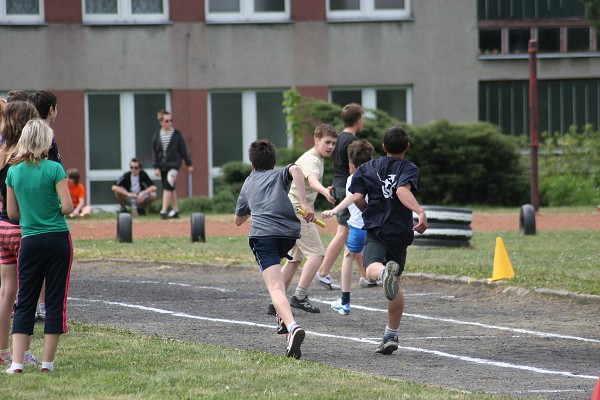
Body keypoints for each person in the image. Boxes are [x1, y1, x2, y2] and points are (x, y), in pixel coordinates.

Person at [349, 125, 427, 355]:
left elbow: (358, 198)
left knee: (371, 267)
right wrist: (419, 212)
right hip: (400, 231)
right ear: (407, 147)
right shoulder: (409, 167)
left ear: (383, 147)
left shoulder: (367, 167)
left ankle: (383, 274)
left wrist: (367, 208)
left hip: (377, 228)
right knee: (395, 285)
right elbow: (403, 190)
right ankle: (391, 335)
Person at [5, 118, 74, 374]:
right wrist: (52, 209)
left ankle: (17, 363)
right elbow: (67, 207)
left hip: (30, 239)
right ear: (46, 141)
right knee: (55, 300)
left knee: (25, 300)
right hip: (57, 239)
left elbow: (12, 213)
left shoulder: (13, 172)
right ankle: (47, 364)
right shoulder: (54, 168)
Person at [235, 139, 314, 359]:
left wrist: (253, 207)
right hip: (288, 235)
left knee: (275, 289)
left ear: (252, 164)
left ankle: (292, 327)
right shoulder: (279, 174)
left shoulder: (248, 183)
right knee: (278, 278)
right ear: (273, 161)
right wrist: (305, 203)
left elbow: (238, 220)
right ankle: (281, 317)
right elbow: (296, 169)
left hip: (264, 237)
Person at [276, 124, 337, 315]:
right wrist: (324, 191)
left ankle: (276, 301)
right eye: (327, 142)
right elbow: (312, 180)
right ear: (316, 140)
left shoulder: (316, 158)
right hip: (296, 211)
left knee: (294, 258)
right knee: (317, 254)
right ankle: (299, 296)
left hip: (290, 209)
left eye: (334, 143)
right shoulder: (312, 159)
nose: (330, 147)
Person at [0, 101, 42, 368]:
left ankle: (2, 349)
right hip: (23, 228)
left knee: (6, 291)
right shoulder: (25, 155)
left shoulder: (2, 151)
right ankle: (21, 352)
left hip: (2, 226)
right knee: (27, 293)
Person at [316, 103, 371, 290]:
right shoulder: (351, 140)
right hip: (347, 188)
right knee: (344, 232)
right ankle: (323, 272)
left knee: (351, 232)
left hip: (339, 185)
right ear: (358, 120)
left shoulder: (338, 138)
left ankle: (365, 276)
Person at [321, 139, 374, 315]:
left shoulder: (353, 178)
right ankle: (382, 276)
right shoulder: (376, 174)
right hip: (376, 228)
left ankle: (344, 301)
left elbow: (352, 197)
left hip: (358, 227)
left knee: (348, 256)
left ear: (351, 164)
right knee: (376, 260)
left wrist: (335, 210)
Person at [29, 90, 61, 322]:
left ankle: (28, 305)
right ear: (51, 110)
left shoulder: (24, 133)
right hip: (45, 210)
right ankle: (42, 306)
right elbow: (54, 172)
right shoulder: (47, 137)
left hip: (26, 208)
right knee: (47, 263)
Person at [152, 110, 193, 219]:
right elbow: (155, 153)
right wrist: (156, 166)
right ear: (161, 122)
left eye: (171, 120)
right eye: (166, 121)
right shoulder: (157, 136)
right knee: (171, 187)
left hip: (174, 166)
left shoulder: (177, 135)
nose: (169, 123)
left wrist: (189, 164)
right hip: (162, 166)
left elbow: (183, 150)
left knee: (167, 185)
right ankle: (175, 210)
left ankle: (163, 211)